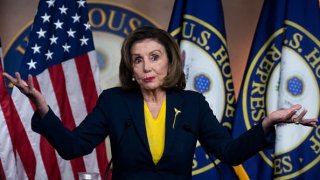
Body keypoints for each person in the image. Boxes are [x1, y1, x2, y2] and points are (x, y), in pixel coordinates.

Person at [3, 26, 317, 180]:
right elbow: (73, 148)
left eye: (154, 57)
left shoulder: (192, 104)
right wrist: (43, 109)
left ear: (169, 62)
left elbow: (229, 152)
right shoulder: (114, 101)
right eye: (137, 60)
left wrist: (269, 121)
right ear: (131, 68)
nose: (146, 67)